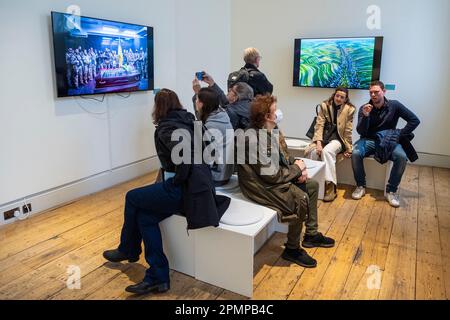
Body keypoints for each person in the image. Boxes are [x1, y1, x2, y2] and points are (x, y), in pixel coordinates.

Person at [103, 89, 229, 295]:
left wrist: (176, 181)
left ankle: (128, 248)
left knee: (132, 197)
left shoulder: (166, 128)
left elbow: (185, 159)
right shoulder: (192, 121)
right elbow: (210, 151)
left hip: (184, 190)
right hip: (201, 189)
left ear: (158, 107)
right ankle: (158, 278)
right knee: (145, 218)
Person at [237, 94, 335, 268]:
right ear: (267, 116)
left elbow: (284, 158)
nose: (279, 113)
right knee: (300, 197)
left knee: (311, 185)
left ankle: (311, 234)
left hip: (269, 179)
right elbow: (272, 175)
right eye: (275, 110)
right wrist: (297, 170)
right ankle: (292, 249)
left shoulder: (271, 131)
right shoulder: (254, 139)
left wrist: (300, 169)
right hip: (259, 186)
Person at [351, 81, 420, 207]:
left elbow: (414, 120)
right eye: (371, 92)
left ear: (384, 91)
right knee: (355, 153)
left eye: (376, 92)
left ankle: (391, 191)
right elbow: (361, 131)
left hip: (388, 140)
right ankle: (360, 186)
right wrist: (365, 116)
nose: (373, 95)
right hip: (368, 140)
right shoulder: (364, 108)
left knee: (401, 157)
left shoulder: (394, 105)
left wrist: (400, 134)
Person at [304, 87, 355, 202]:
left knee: (327, 151)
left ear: (346, 99)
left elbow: (348, 130)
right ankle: (312, 183)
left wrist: (349, 148)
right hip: (324, 137)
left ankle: (331, 186)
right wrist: (318, 143)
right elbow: (319, 125)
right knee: (312, 152)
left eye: (342, 97)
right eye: (337, 95)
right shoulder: (324, 105)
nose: (339, 98)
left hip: (338, 139)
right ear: (334, 95)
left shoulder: (350, 109)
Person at [193, 85, 235, 185]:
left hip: (216, 177)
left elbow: (208, 160)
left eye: (197, 100)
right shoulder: (222, 115)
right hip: (225, 173)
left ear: (201, 104)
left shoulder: (211, 127)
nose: (195, 102)